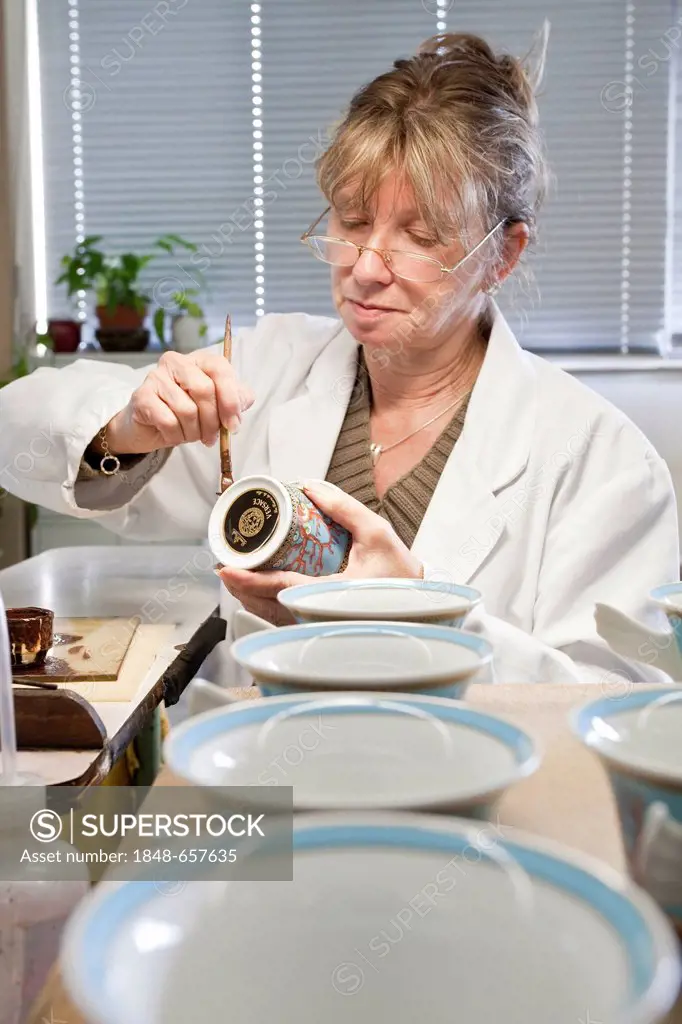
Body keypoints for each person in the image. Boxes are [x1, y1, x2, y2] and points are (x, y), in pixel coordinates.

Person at [0, 31, 678, 689]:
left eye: (419, 234)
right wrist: (126, 429)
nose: (364, 268)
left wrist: (421, 612)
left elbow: (618, 703)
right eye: (352, 220)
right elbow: (16, 429)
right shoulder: (270, 372)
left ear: (503, 254)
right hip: (271, 780)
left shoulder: (598, 458)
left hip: (466, 796)